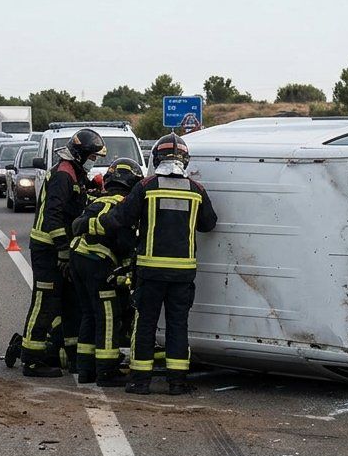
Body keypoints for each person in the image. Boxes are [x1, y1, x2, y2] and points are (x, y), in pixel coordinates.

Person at [99, 134, 217, 395]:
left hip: (150, 272)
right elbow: (209, 224)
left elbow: (121, 218)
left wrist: (97, 222)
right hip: (183, 274)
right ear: (185, 160)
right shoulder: (196, 190)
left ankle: (140, 381)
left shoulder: (146, 187)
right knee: (178, 325)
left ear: (156, 158)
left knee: (145, 324)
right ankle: (177, 382)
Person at [17, 129, 105, 376]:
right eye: (92, 157)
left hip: (59, 248)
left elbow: (76, 200)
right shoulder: (63, 176)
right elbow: (53, 217)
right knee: (44, 301)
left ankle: (72, 354)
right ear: (80, 154)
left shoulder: (73, 173)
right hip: (48, 249)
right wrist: (64, 251)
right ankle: (32, 359)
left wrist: (94, 188)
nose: (94, 161)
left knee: (70, 301)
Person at [69, 158, 143, 386]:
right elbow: (123, 243)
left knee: (89, 314)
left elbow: (79, 225)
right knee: (108, 316)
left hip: (77, 258)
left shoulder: (99, 200)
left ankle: (85, 369)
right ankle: (106, 372)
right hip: (97, 262)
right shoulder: (124, 204)